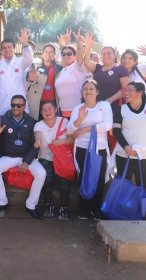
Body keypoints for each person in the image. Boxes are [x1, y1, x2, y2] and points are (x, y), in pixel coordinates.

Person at [0, 95, 46, 219]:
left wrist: (26, 162)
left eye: (18, 105)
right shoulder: (2, 120)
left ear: (24, 107)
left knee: (41, 173)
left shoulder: (31, 122)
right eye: (13, 105)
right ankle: (2, 202)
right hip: (9, 156)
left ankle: (30, 205)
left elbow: (34, 146)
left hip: (26, 157)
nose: (15, 108)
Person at [67, 79, 113, 220]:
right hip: (82, 148)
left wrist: (86, 128)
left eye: (91, 88)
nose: (88, 91)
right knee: (83, 177)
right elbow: (70, 130)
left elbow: (107, 125)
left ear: (97, 92)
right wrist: (80, 119)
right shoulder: (78, 108)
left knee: (99, 179)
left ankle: (96, 209)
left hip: (99, 149)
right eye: (85, 88)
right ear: (82, 92)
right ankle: (83, 209)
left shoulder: (104, 106)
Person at [34, 101, 74, 221]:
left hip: (62, 158)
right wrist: (38, 141)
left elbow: (71, 139)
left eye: (49, 108)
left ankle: (64, 207)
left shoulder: (64, 122)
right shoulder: (39, 125)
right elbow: (38, 135)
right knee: (47, 179)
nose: (47, 111)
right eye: (44, 109)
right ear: (41, 113)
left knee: (64, 182)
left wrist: (61, 142)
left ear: (56, 109)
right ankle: (48, 204)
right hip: (46, 156)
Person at [0, 28, 34, 117]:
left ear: (14, 48)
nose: (7, 50)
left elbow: (29, 59)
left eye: (9, 47)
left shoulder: (21, 61)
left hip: (19, 105)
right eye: (4, 48)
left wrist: (25, 44)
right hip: (2, 104)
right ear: (2, 50)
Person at [113, 82, 146, 188]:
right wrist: (127, 148)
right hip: (124, 155)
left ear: (140, 92)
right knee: (123, 188)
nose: (126, 93)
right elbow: (116, 131)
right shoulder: (120, 109)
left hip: (144, 157)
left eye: (130, 90)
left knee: (144, 188)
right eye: (125, 90)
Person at [54, 30, 87, 118]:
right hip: (62, 113)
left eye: (69, 54)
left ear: (75, 56)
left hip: (78, 113)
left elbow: (80, 57)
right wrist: (62, 44)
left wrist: (79, 45)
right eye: (63, 54)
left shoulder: (77, 67)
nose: (66, 56)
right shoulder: (61, 72)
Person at [26, 43, 62, 121]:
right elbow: (29, 80)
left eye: (50, 52)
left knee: (52, 125)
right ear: (42, 54)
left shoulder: (59, 68)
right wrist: (31, 79)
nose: (48, 54)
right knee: (37, 124)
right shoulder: (35, 66)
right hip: (38, 101)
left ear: (54, 54)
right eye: (46, 51)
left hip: (53, 102)